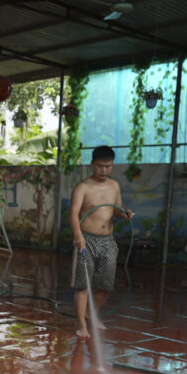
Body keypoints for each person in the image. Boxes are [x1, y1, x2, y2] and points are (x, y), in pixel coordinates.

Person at [69, 145, 132, 338]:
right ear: (92, 165)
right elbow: (73, 213)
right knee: (83, 285)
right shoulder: (83, 187)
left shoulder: (114, 186)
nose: (104, 170)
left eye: (108, 166)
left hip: (108, 241)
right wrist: (78, 236)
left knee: (106, 286)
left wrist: (125, 214)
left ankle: (91, 313)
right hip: (86, 240)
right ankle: (82, 325)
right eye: (100, 166)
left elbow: (117, 210)